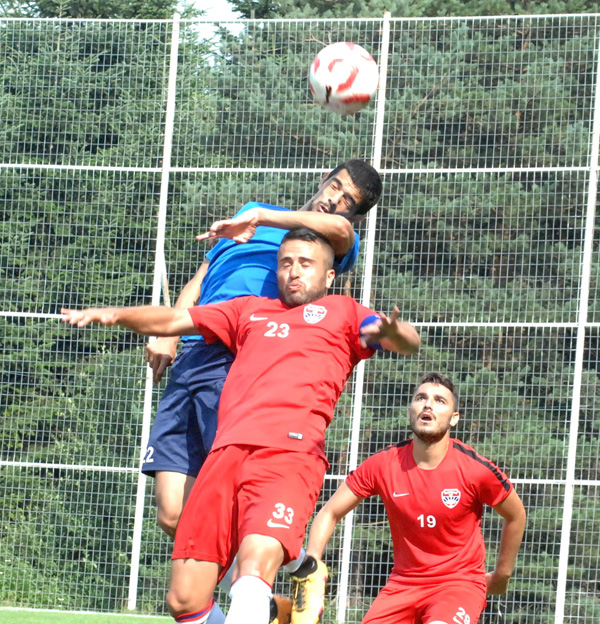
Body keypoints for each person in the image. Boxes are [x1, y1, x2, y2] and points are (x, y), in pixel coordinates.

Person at [61, 227, 421, 624]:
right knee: (185, 600)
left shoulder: (345, 312)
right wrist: (116, 315)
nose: (293, 272)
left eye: (305, 264)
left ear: (329, 276)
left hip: (287, 454)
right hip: (225, 454)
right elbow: (174, 319)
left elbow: (402, 340)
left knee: (253, 568)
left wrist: (395, 332)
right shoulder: (248, 309)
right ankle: (275, 615)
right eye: (286, 263)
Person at [144, 160, 383, 544]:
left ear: (354, 216)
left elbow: (339, 228)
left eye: (347, 200)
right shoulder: (247, 217)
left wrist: (260, 216)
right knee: (172, 513)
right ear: (322, 178)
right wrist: (167, 332)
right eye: (335, 186)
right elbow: (203, 277)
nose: (334, 199)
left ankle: (258, 586)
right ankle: (253, 596)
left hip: (237, 359)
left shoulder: (325, 245)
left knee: (234, 500)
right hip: (191, 354)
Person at [291, 372, 526, 624]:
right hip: (402, 586)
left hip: (459, 584)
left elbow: (516, 514)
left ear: (454, 418)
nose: (428, 404)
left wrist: (502, 575)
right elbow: (329, 512)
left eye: (439, 401)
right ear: (410, 411)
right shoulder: (382, 465)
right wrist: (312, 568)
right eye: (421, 398)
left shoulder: (475, 469)